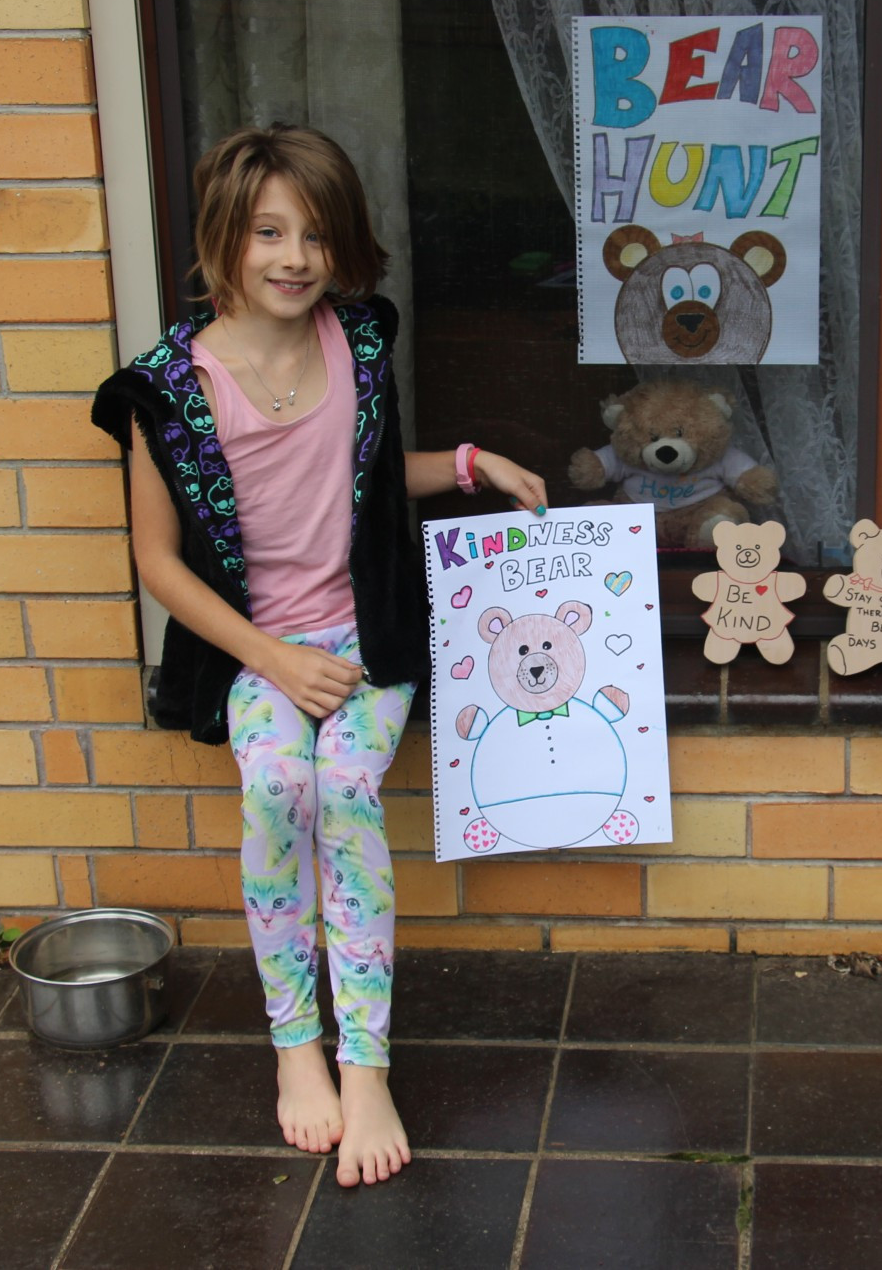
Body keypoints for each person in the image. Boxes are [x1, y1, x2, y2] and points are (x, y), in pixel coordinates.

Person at [90, 123, 546, 1187]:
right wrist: (275, 663)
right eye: (268, 232)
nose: (294, 257)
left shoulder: (358, 343)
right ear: (224, 241)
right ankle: (297, 1047)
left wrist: (475, 464)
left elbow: (375, 485)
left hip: (365, 631)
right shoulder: (167, 391)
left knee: (343, 789)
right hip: (255, 649)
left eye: (316, 235)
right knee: (274, 788)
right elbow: (158, 563)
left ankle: (366, 1062)